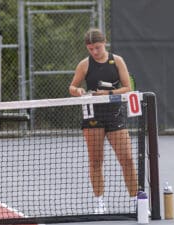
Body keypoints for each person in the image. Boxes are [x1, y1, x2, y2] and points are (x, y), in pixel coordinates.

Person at [69, 28, 138, 214]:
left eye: (97, 47)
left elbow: (127, 88)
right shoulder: (84, 65)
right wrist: (78, 91)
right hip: (92, 117)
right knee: (96, 161)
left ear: (105, 43)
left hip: (115, 115)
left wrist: (107, 94)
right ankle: (99, 203)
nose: (94, 52)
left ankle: (135, 202)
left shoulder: (117, 61)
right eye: (91, 49)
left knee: (128, 159)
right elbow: (73, 86)